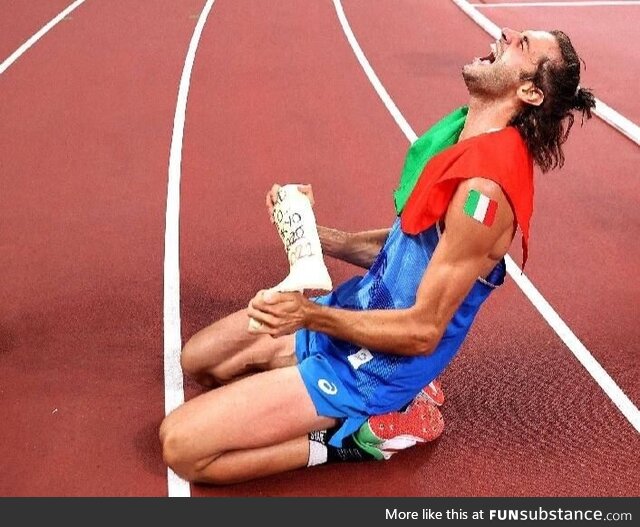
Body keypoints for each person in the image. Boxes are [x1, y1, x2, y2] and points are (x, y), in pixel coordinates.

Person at [159, 28, 596, 484]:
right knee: (200, 361)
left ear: (529, 91)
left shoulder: (483, 193)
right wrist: (308, 231)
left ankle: (354, 438)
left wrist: (308, 316)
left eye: (521, 45)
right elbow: (400, 252)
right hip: (354, 314)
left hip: (380, 366)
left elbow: (422, 330)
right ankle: (318, 391)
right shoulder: (458, 141)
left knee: (183, 448)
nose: (505, 36)